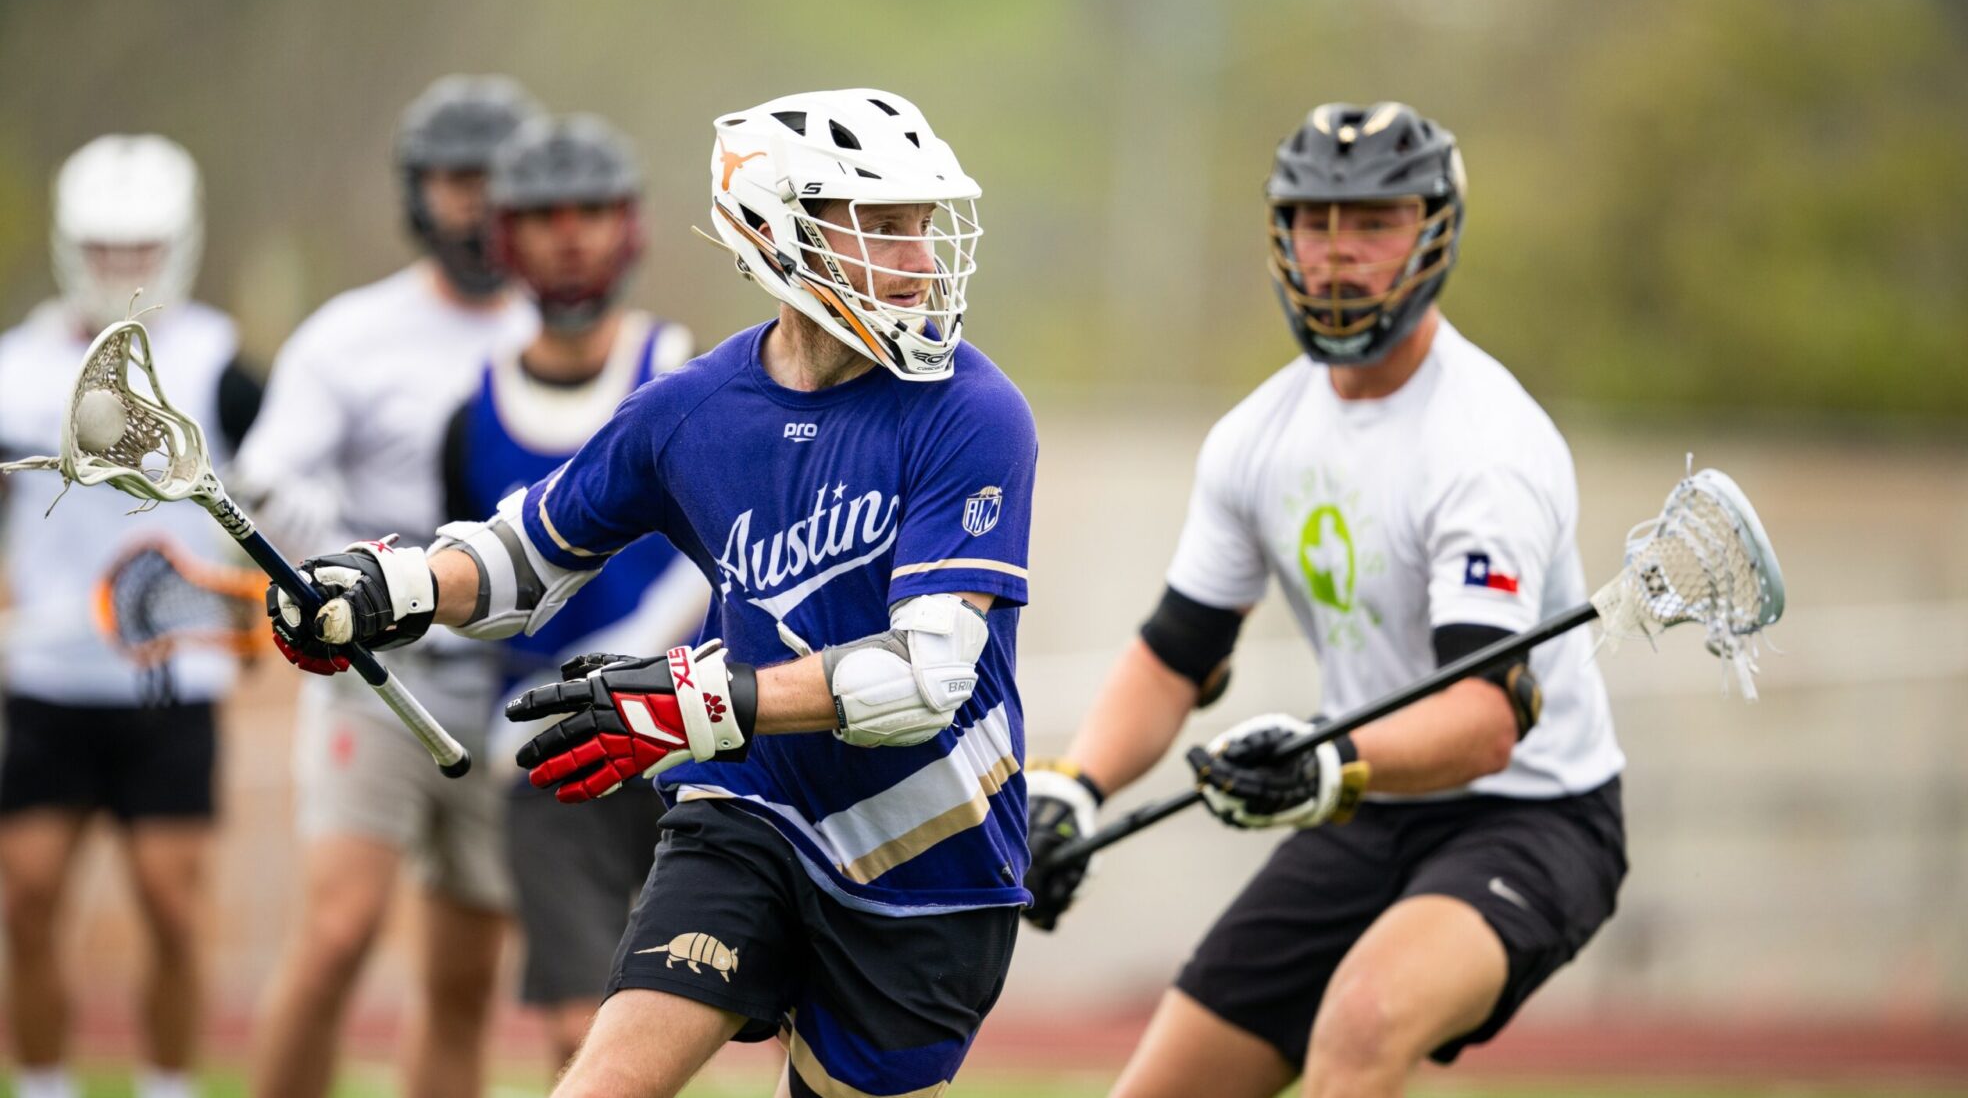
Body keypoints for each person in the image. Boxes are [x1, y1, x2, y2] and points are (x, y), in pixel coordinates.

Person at [264, 88, 1036, 1098]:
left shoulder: (974, 411)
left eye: (922, 228)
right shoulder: (691, 411)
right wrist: (388, 584)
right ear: (774, 232)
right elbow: (519, 555)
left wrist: (698, 701)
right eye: (884, 229)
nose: (920, 261)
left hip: (928, 855)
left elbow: (926, 675)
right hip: (747, 809)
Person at [1022, 101, 1628, 1098]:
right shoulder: (1254, 438)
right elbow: (1177, 653)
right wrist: (1075, 784)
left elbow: (1484, 722)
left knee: (1360, 1019)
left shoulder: (1486, 448)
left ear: (1431, 232)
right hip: (1365, 808)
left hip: (1531, 816)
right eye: (1314, 221)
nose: (1337, 254)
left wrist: (1328, 759)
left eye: (1373, 222)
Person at [233, 75, 541, 1098]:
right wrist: (361, 572)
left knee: (464, 978)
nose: (481, 205)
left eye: (500, 182)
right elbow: (269, 477)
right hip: (374, 672)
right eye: (461, 182)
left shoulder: (559, 337)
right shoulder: (350, 335)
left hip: (510, 684)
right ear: (420, 190)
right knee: (337, 931)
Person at [439, 112, 708, 1073]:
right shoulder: (472, 416)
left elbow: (728, 551)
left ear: (628, 223)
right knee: (579, 1034)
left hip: (692, 734)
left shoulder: (688, 378)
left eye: (592, 208)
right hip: (553, 749)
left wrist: (631, 649)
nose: (571, 233)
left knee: (765, 1019)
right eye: (545, 211)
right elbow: (475, 586)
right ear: (506, 234)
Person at [0, 134, 263, 1098]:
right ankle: (41, 1085)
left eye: (139, 250)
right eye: (105, 250)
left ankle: (167, 1085)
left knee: (171, 904)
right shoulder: (13, 369)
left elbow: (281, 496)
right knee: (26, 899)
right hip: (49, 679)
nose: (121, 270)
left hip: (167, 679)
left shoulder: (219, 363)